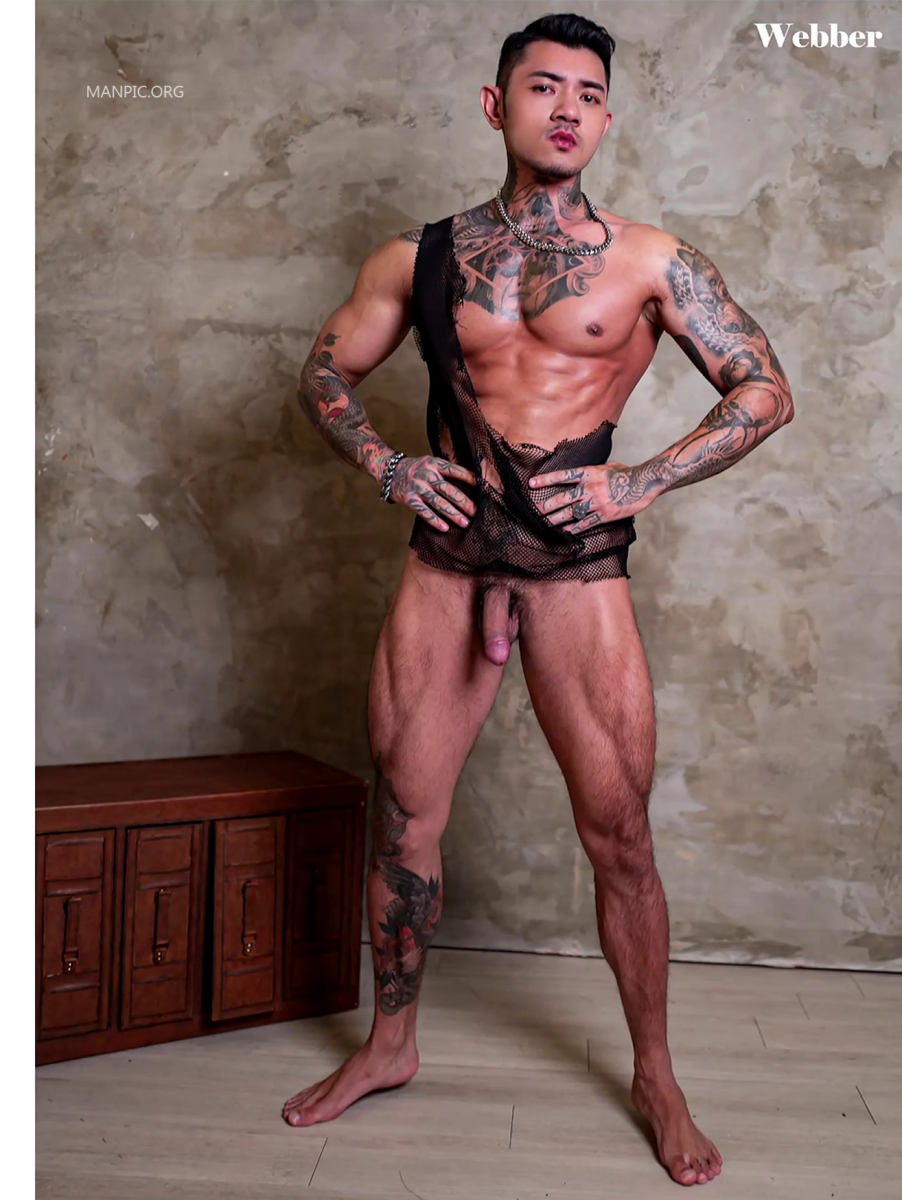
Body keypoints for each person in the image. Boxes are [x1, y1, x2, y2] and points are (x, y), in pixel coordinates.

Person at [283, 12, 793, 1189]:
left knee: (618, 836)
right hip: (446, 564)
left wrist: (640, 477)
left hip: (576, 571)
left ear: (605, 119)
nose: (566, 109)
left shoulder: (650, 261)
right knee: (403, 819)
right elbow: (322, 371)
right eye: (543, 86)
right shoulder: (418, 258)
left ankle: (654, 1074)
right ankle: (391, 1045)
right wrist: (386, 464)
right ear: (494, 103)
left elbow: (762, 391)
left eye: (587, 94)